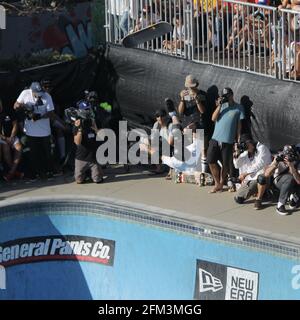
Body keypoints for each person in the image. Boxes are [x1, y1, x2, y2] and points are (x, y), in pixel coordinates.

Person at [207, 87, 245, 193]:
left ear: (232, 95)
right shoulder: (221, 106)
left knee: (225, 164)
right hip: (215, 138)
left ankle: (222, 181)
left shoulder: (239, 107)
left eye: (228, 95)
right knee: (210, 160)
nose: (226, 97)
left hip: (228, 140)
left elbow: (239, 125)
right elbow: (213, 118)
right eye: (224, 95)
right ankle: (217, 183)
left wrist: (237, 140)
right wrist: (219, 105)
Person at [14, 82, 55, 180]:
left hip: (44, 131)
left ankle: (48, 171)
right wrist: (22, 106)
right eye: (37, 93)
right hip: (30, 131)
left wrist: (39, 116)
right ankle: (36, 173)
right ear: (31, 91)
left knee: (47, 153)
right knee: (33, 153)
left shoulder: (47, 96)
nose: (39, 94)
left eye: (40, 92)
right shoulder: (25, 93)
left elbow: (51, 113)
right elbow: (15, 105)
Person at [233, 135, 272, 210]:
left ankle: (259, 200)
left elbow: (260, 164)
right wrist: (236, 154)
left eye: (248, 146)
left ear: (251, 142)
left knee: (261, 178)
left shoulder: (262, 148)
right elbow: (237, 165)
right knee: (239, 199)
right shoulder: (246, 152)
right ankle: (261, 192)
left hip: (265, 177)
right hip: (252, 179)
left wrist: (245, 173)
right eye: (246, 147)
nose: (248, 149)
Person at [264, 145, 300, 215]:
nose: (287, 157)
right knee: (289, 178)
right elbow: (266, 174)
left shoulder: (297, 160)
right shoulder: (279, 158)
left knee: (294, 205)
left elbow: (299, 181)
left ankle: (293, 198)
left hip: (293, 182)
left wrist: (291, 166)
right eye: (286, 155)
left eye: (290, 155)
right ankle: (280, 205)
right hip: (278, 182)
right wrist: (275, 164)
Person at [73, 102, 104, 184]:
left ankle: (94, 172)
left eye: (88, 109)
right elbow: (77, 142)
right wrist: (79, 129)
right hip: (81, 157)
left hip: (93, 157)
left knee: (97, 179)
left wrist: (95, 128)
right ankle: (85, 173)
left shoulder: (95, 121)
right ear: (80, 111)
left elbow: (103, 137)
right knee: (79, 180)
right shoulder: (78, 123)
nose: (87, 111)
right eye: (85, 110)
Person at [0, 98, 23, 181]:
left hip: (12, 136)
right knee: (6, 149)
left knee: (19, 147)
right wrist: (5, 138)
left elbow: (15, 124)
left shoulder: (9, 111)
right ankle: (14, 172)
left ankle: (11, 172)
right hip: (2, 138)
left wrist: (12, 136)